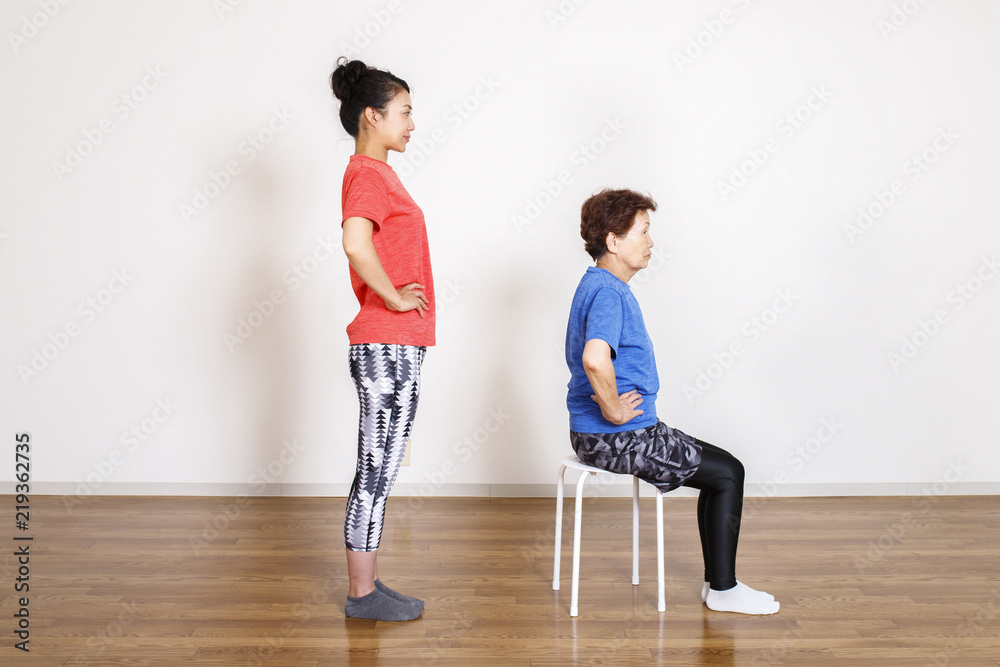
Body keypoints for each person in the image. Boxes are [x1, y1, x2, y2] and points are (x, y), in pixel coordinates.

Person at [565, 189, 779, 615]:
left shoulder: (596, 284)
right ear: (613, 241)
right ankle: (723, 590)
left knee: (722, 470)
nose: (651, 242)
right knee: (729, 474)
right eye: (643, 232)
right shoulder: (609, 293)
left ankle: (719, 586)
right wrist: (614, 410)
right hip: (619, 437)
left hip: (602, 435)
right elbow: (594, 358)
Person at [329, 57, 434, 621]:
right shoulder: (368, 173)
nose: (412, 124)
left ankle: (368, 587)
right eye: (405, 112)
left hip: (396, 343)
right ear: (372, 115)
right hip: (386, 342)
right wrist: (393, 297)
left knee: (381, 469)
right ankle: (361, 596)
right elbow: (355, 242)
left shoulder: (377, 174)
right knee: (375, 470)